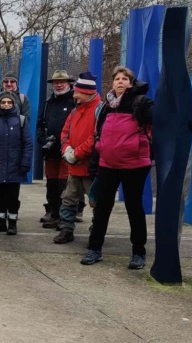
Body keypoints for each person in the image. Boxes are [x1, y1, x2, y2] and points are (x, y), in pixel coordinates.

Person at [83, 66, 154, 269]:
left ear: (131, 83)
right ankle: (94, 249)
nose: (120, 82)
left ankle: (138, 252)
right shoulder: (107, 106)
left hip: (135, 164)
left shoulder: (142, 103)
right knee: (102, 208)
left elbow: (163, 120)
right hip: (108, 163)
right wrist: (96, 160)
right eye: (117, 79)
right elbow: (99, 134)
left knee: (134, 207)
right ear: (112, 83)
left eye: (125, 79)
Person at [53, 72, 101, 245]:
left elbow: (96, 137)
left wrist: (77, 154)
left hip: (91, 167)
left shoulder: (99, 110)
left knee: (96, 201)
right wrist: (67, 151)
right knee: (68, 199)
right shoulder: (75, 111)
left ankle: (97, 231)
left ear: (87, 92)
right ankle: (66, 229)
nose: (74, 95)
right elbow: (65, 133)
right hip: (74, 165)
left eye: (77, 92)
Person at [0, 91, 33, 235]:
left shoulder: (21, 121)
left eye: (9, 102)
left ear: (13, 104)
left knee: (13, 196)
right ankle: (1, 222)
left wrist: (25, 163)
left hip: (15, 166)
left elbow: (28, 144)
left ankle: (13, 223)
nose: (6, 105)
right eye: (3, 102)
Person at [38, 70, 76, 229]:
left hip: (68, 151)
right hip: (50, 150)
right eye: (56, 82)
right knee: (51, 182)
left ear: (69, 83)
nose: (59, 85)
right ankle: (53, 213)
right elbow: (40, 124)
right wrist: (42, 140)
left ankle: (64, 216)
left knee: (65, 184)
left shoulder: (75, 101)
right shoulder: (48, 103)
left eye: (62, 82)